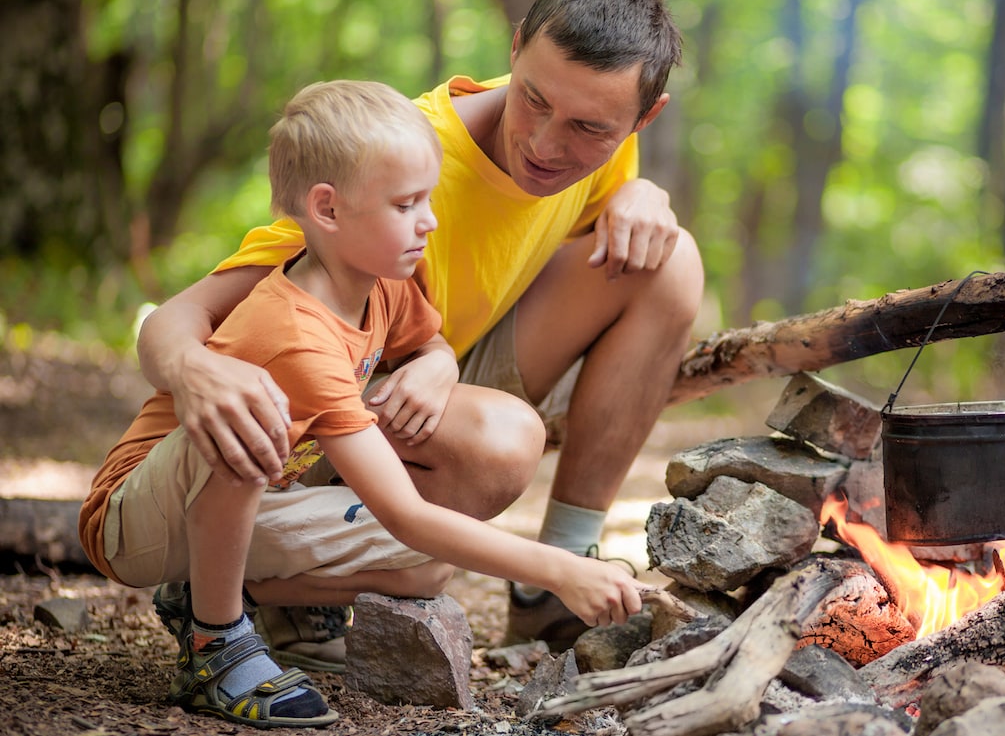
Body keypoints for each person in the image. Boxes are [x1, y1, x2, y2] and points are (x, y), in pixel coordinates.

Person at [135, 0, 704, 661]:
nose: (546, 143)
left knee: (670, 260)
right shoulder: (399, 159)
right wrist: (192, 370)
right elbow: (176, 317)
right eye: (533, 99)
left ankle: (554, 589)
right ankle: (248, 579)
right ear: (516, 45)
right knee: (504, 442)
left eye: (589, 127)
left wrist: (640, 193)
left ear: (644, 116)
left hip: (430, 365)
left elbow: (607, 180)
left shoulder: (608, 147)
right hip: (313, 415)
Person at [79, 80, 647, 729]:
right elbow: (401, 512)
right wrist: (562, 569)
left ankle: (204, 593)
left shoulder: (380, 283)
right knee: (254, 413)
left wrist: (437, 360)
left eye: (427, 198)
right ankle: (217, 644)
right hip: (140, 514)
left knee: (432, 563)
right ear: (327, 210)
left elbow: (425, 337)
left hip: (254, 499)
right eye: (407, 204)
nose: (428, 221)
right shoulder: (293, 332)